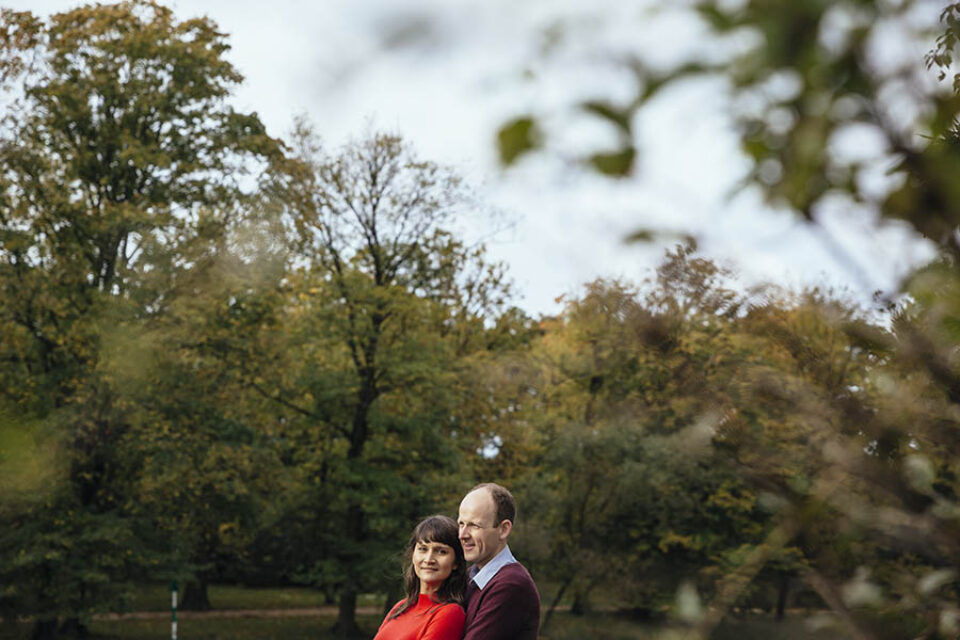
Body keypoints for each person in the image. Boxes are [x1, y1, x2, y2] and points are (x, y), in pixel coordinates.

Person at [458, 483, 540, 640]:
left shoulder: (511, 585)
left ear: (503, 529)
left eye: (474, 525)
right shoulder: (470, 578)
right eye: (461, 523)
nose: (462, 534)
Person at [374, 514, 467, 640]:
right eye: (423, 549)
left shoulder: (450, 613)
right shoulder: (400, 607)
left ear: (456, 562)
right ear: (413, 555)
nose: (429, 559)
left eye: (441, 551)